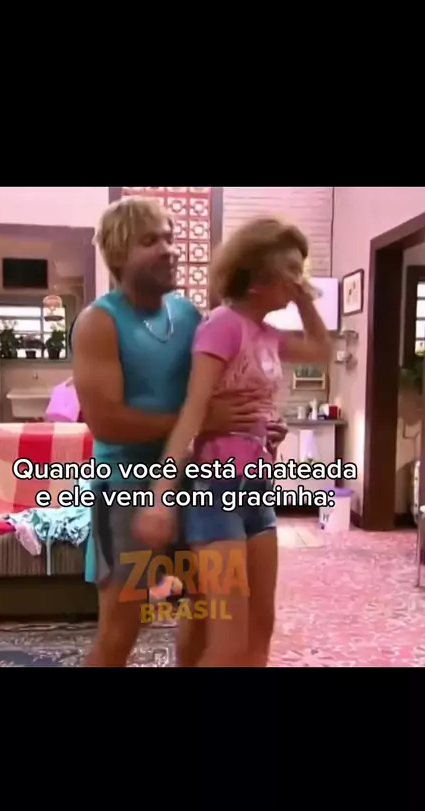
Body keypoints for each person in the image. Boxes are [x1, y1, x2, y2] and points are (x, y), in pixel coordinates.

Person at [72, 196, 288, 667]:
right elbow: (106, 421)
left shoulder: (190, 315)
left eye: (170, 238)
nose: (169, 249)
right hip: (128, 493)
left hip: (198, 486)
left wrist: (255, 425)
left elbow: (216, 388)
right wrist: (205, 422)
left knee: (202, 615)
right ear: (119, 253)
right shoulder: (98, 322)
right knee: (121, 631)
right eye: (151, 241)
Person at [134, 217, 331, 667]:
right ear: (258, 278)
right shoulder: (223, 325)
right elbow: (193, 412)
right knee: (227, 643)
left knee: (260, 632)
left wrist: (305, 300)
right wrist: (161, 497)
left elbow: (321, 350)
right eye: (291, 271)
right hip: (215, 491)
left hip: (258, 490)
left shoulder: (266, 333)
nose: (298, 280)